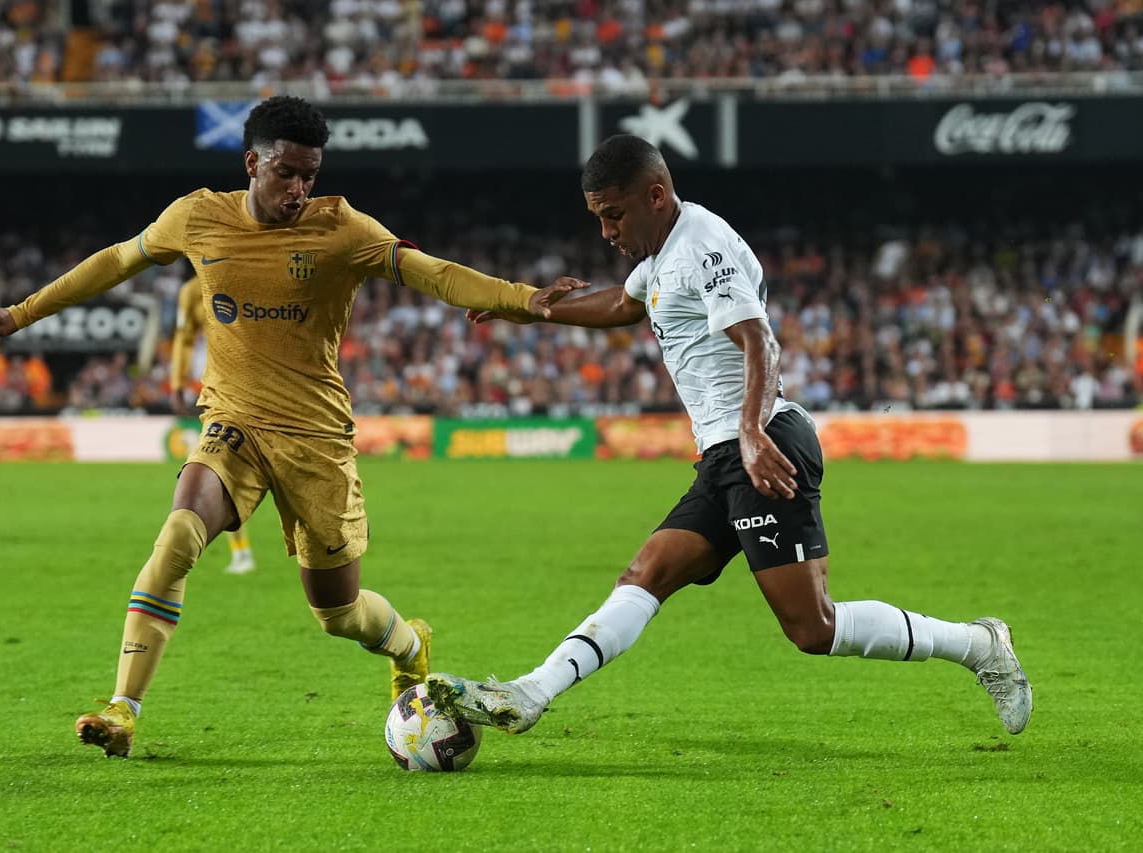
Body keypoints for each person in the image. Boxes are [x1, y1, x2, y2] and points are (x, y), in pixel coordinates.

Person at [0, 96, 583, 758]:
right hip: (233, 425)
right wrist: (20, 315)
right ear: (253, 162)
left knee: (338, 613)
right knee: (178, 533)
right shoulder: (197, 216)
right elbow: (116, 260)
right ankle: (124, 706)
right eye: (287, 172)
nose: (299, 188)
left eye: (309, 175)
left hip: (316, 442)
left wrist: (523, 299)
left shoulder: (341, 228)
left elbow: (432, 272)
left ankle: (407, 641)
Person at [426, 135, 1032, 738]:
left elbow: (759, 339)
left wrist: (748, 432)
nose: (606, 233)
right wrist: (529, 308)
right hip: (727, 455)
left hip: (765, 445)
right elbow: (621, 305)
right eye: (598, 219)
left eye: (613, 215)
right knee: (646, 574)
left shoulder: (702, 244)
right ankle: (530, 693)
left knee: (812, 627)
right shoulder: (663, 256)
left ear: (655, 196)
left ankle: (979, 644)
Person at [171, 275, 255, 575]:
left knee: (226, 473)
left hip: (252, 387)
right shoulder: (191, 292)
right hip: (215, 390)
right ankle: (242, 553)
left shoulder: (247, 273)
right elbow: (184, 337)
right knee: (221, 472)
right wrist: (178, 383)